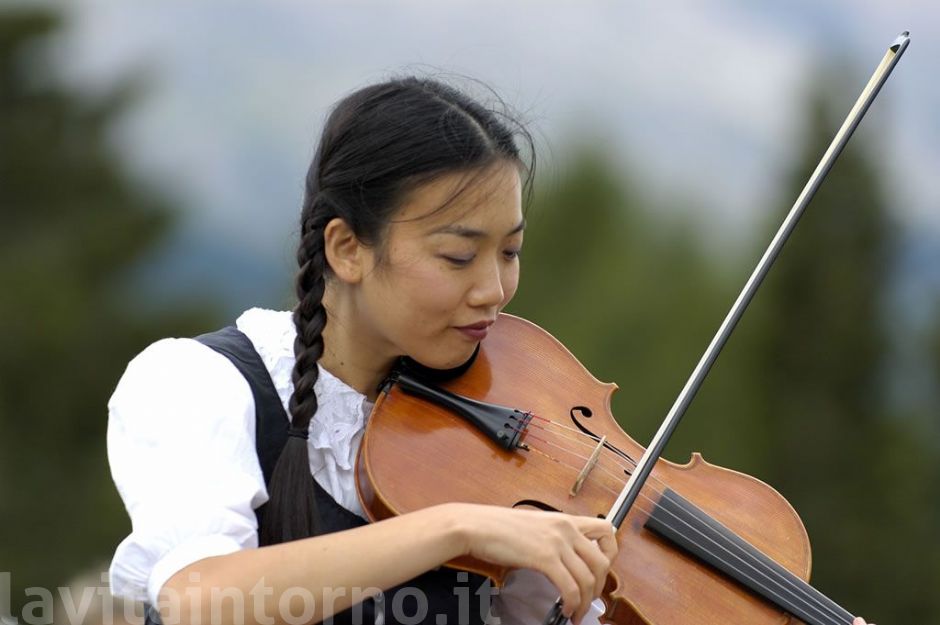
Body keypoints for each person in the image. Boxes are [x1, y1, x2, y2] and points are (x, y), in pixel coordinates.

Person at [106, 77, 876, 625]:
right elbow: (198, 600)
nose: (494, 289)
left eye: (510, 251)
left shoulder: (500, 412)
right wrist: (458, 527)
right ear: (346, 247)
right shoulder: (201, 385)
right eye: (457, 255)